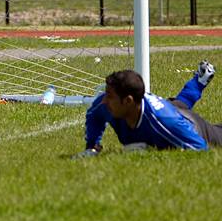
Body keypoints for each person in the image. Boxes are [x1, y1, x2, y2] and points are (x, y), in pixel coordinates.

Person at [77, 60, 220, 157]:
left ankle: (199, 83)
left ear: (128, 101)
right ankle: (199, 81)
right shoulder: (106, 104)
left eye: (109, 96)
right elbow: (94, 116)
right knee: (176, 105)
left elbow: (200, 148)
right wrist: (92, 146)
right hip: (169, 108)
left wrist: (154, 151)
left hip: (193, 126)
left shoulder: (164, 121)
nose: (104, 101)